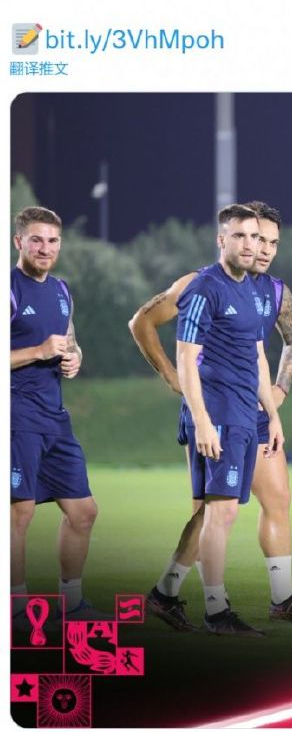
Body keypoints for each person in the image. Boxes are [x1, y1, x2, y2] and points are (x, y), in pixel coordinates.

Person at [129, 201, 292, 629]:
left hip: (252, 406)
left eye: (270, 241)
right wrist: (175, 381)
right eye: (254, 238)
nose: (263, 249)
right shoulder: (200, 284)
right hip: (215, 406)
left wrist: (276, 397)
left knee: (276, 499)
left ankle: (282, 597)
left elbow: (286, 343)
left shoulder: (271, 291)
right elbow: (142, 323)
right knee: (212, 510)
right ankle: (191, 600)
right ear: (231, 238)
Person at [169, 202, 285, 636]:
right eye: (240, 236)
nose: (250, 244)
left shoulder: (254, 290)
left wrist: (270, 415)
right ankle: (216, 611)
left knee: (218, 512)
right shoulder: (204, 287)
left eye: (255, 237)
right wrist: (200, 419)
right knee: (221, 512)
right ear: (222, 239)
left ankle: (165, 592)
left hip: (243, 413)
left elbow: (257, 356)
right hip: (215, 411)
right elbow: (184, 356)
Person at [11, 206, 100, 620]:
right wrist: (37, 352)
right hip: (13, 413)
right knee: (18, 511)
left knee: (83, 512)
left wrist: (74, 357)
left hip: (53, 415)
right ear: (19, 243)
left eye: (52, 241)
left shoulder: (63, 291)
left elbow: (69, 341)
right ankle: (14, 609)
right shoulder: (8, 288)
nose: (45, 248)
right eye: (36, 240)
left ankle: (71, 603)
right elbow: (38, 347)